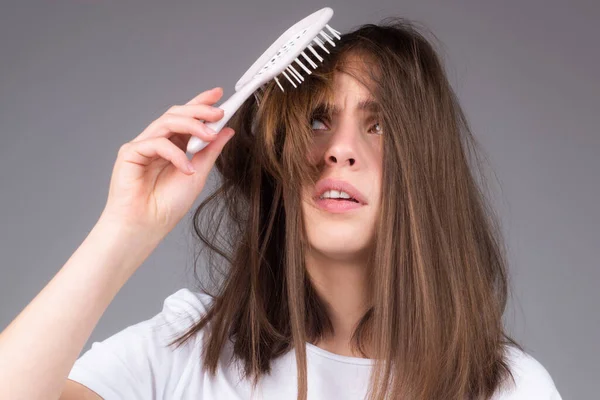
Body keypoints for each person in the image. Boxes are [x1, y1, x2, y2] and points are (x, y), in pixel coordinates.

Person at [0, 18, 562, 400]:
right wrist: (123, 230)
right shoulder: (189, 350)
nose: (339, 149)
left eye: (380, 125)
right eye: (317, 120)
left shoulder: (507, 387)